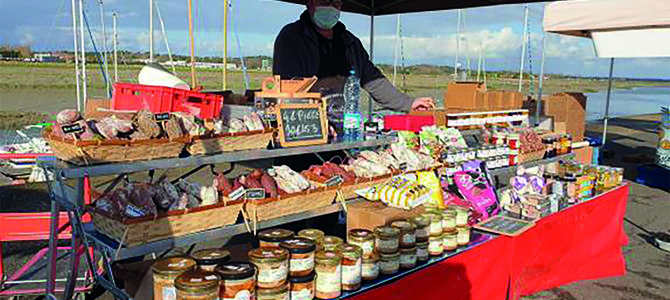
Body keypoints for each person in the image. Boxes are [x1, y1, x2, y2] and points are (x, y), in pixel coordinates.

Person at [273, 0, 435, 113]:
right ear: (310, 4)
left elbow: (372, 79)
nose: (330, 8)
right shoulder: (292, 37)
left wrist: (409, 103)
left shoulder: (349, 41)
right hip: (304, 127)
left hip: (344, 125)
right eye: (324, 2)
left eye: (335, 4)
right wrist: (315, 121)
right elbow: (288, 86)